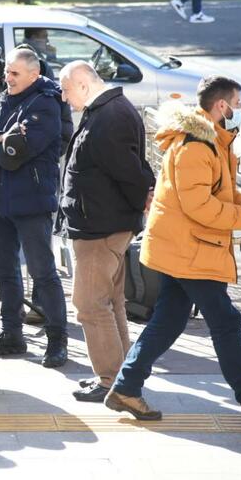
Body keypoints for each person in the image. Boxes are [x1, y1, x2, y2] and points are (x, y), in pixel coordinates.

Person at [105, 76, 241, 430]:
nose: (239, 111)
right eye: (237, 104)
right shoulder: (196, 146)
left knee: (170, 319)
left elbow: (219, 190)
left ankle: (126, 387)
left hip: (185, 246)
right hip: (190, 248)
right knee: (226, 320)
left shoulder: (211, 141)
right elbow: (199, 205)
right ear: (221, 106)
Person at [56, 62, 155, 403]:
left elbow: (132, 174)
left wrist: (137, 205)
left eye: (67, 90)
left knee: (89, 305)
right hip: (102, 224)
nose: (65, 98)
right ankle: (122, 376)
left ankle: (112, 379)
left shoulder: (109, 116)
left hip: (101, 227)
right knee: (110, 302)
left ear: (83, 85)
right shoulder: (108, 109)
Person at [0, 48, 69, 368]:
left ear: (34, 75)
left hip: (33, 200)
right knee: (3, 270)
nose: (6, 78)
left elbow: (17, 154)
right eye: (7, 72)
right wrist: (0, 138)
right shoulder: (0, 100)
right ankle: (11, 334)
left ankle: (57, 341)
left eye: (14, 74)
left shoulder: (47, 103)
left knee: (43, 273)